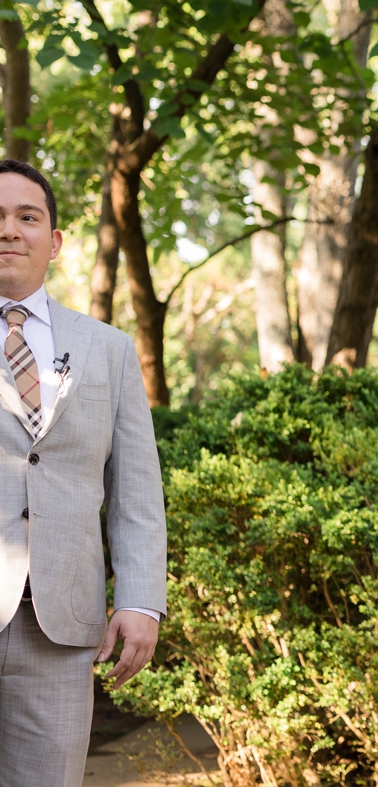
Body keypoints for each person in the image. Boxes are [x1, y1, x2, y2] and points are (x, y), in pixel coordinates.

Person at [0, 160, 165, 785]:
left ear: (56, 241)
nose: (9, 230)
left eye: (27, 216)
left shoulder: (109, 349)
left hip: (61, 626)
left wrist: (141, 599)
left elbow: (137, 492)